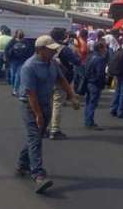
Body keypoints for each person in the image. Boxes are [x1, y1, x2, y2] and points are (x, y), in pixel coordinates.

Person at [16, 35, 78, 194]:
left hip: (45, 103)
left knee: (36, 137)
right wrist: (38, 114)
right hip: (30, 106)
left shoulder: (52, 63)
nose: (54, 52)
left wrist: (72, 96)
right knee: (35, 138)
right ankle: (38, 175)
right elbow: (31, 94)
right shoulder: (29, 67)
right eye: (50, 50)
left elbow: (61, 79)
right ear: (40, 50)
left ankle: (23, 163)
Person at [48, 28, 81, 140]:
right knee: (57, 104)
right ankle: (55, 129)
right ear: (62, 37)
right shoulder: (63, 49)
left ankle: (44, 128)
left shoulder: (45, 46)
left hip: (45, 78)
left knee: (47, 104)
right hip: (60, 79)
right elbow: (77, 61)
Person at [83, 41, 108, 130]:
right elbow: (100, 73)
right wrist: (103, 83)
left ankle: (87, 120)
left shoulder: (89, 56)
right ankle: (89, 122)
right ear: (100, 48)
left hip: (89, 81)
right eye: (104, 47)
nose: (106, 49)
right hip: (95, 83)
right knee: (93, 103)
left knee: (88, 102)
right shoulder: (100, 59)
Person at [5, 30, 34, 96]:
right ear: (16, 34)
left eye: (21, 33)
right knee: (13, 75)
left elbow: (30, 50)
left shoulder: (26, 42)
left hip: (22, 60)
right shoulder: (12, 41)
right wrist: (7, 58)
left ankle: (15, 90)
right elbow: (6, 49)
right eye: (19, 33)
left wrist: (28, 59)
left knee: (18, 76)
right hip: (13, 60)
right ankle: (13, 87)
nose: (20, 34)